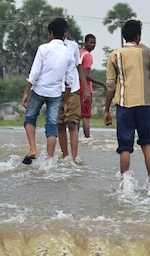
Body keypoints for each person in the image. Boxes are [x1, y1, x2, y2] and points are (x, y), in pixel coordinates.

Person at [103, 19, 150, 179]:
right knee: (146, 144)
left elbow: (111, 86)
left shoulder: (115, 55)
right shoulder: (147, 53)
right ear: (138, 37)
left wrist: (107, 110)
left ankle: (125, 183)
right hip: (145, 106)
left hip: (124, 106)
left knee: (125, 147)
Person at [20, 17, 75, 164]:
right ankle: (49, 160)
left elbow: (34, 73)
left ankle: (33, 149)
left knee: (30, 118)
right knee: (51, 126)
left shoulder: (43, 49)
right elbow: (69, 81)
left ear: (50, 33)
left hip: (38, 90)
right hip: (56, 94)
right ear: (64, 33)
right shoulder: (69, 53)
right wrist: (66, 101)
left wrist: (26, 92)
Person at [57, 23, 89, 163]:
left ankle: (74, 157)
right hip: (57, 89)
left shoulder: (73, 46)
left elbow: (79, 67)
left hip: (74, 89)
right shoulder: (49, 47)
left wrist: (85, 88)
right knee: (60, 124)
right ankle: (65, 156)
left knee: (73, 123)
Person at [79, 34, 105, 139]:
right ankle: (87, 138)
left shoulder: (78, 53)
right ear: (85, 42)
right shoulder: (88, 56)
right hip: (85, 89)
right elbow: (85, 74)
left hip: (74, 89)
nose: (93, 45)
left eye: (94, 43)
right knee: (85, 116)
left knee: (76, 117)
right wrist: (101, 83)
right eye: (91, 42)